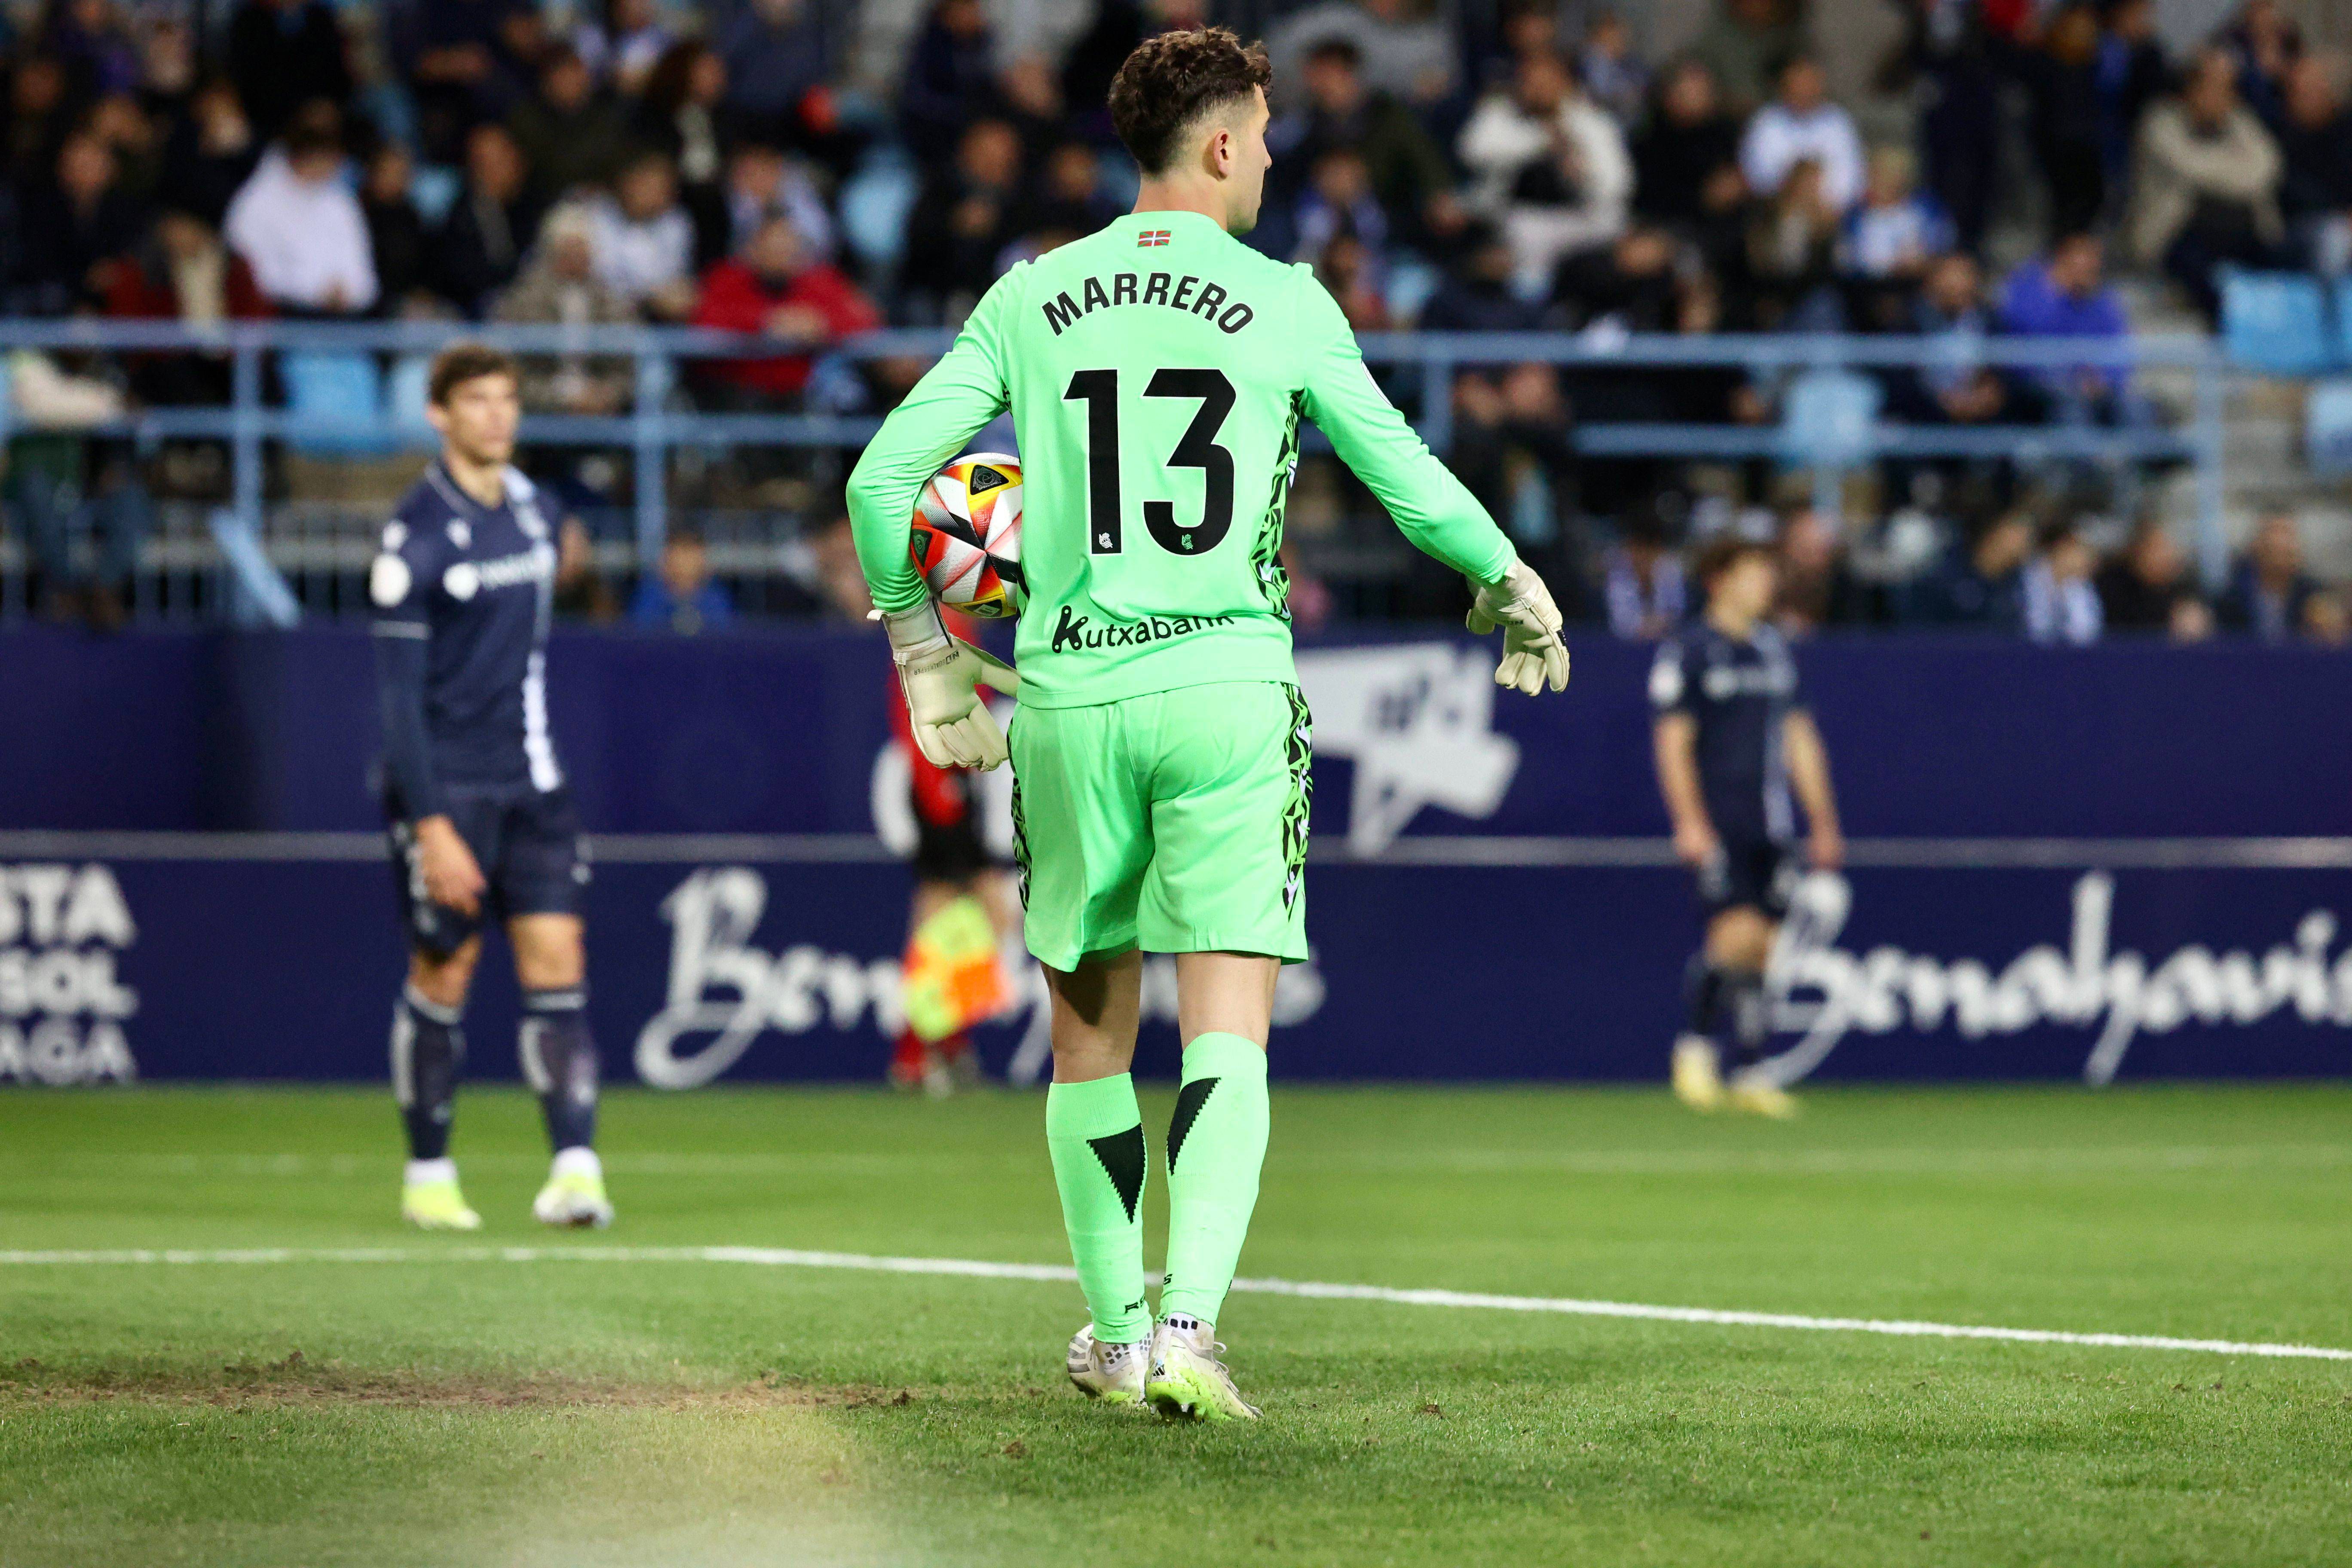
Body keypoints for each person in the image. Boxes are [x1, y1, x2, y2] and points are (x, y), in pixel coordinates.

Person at [843, 27, 1569, 1423]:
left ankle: (1116, 1336)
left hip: (1068, 697)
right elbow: (1408, 478)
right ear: (1225, 142)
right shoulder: (1285, 299)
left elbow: (886, 483)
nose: (1276, 155)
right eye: (1266, 131)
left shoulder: (1033, 294)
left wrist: (932, 654)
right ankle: (1189, 1325)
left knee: (1088, 1038)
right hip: (1227, 689)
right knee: (1227, 1027)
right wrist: (1510, 579)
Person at [368, 343, 612, 1233]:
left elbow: (559, 585)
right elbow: (397, 706)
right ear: (440, 415)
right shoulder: (415, 537)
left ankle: (576, 1174)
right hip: (449, 792)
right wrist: (430, 824)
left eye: (508, 399)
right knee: (446, 969)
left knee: (558, 964)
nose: (498, 416)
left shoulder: (541, 513)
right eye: (477, 401)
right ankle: (429, 1176)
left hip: (535, 780)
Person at [1651, 533, 1841, 1120]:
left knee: (1765, 949)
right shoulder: (1690, 650)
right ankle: (1695, 1053)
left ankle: (1753, 1070)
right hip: (1721, 817)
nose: (1766, 584)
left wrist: (1823, 819)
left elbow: (1801, 739)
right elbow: (1673, 742)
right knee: (1732, 937)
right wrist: (1689, 822)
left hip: (1773, 821)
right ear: (1720, 579)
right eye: (1754, 572)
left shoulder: (1773, 651)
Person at [628, 524, 734, 631]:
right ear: (666, 557)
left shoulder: (717, 600)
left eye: (690, 551)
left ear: (703, 558)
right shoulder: (649, 598)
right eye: (680, 551)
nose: (685, 561)